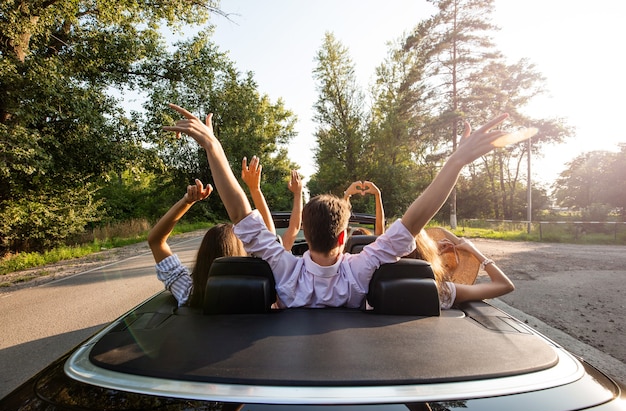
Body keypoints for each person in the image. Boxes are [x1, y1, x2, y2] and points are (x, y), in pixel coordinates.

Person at [163, 103, 510, 309]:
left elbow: (239, 211)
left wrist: (214, 148)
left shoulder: (285, 271)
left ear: (305, 234)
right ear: (344, 238)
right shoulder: (360, 271)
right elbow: (414, 222)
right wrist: (456, 162)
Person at [147, 179, 246, 308]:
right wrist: (255, 190)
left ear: (202, 257)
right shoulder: (262, 293)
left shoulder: (189, 293)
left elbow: (156, 241)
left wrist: (187, 202)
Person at [405, 228, 515, 309]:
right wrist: (474, 250)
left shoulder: (388, 279)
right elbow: (505, 285)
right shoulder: (442, 291)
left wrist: (431, 250)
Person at [241, 155, 303, 251]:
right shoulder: (275, 258)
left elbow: (294, 227)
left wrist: (254, 189)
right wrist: (298, 193)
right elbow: (294, 227)